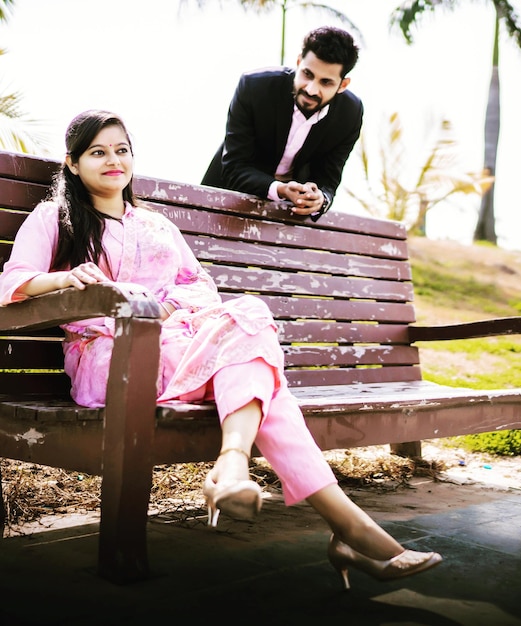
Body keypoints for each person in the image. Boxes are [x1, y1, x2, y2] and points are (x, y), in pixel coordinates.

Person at [0, 110, 441, 590]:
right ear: (73, 162)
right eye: (98, 152)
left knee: (249, 313)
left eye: (121, 150)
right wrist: (66, 279)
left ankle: (239, 469)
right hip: (113, 358)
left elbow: (199, 285)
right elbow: (13, 283)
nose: (113, 161)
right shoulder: (56, 217)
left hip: (183, 342)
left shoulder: (156, 224)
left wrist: (166, 308)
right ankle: (343, 528)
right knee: (264, 385)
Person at [201, 26, 363, 221]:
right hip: (222, 204)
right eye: (307, 74)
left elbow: (328, 180)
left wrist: (320, 199)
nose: (311, 89)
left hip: (286, 220)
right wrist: (280, 189)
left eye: (326, 82)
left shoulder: (349, 114)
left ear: (342, 85)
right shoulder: (254, 87)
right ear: (297, 62)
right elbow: (235, 167)